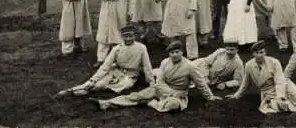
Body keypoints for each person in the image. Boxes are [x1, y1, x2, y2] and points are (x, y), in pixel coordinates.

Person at [90, 41, 221, 112]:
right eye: (172, 52)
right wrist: (164, 91)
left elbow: (201, 83)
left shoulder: (190, 66)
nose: (174, 55)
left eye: (177, 52)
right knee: (135, 96)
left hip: (178, 94)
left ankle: (151, 103)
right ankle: (106, 103)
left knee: (172, 106)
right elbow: (160, 80)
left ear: (182, 52)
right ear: (169, 54)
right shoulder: (165, 62)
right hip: (161, 89)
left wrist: (210, 97)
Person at [56, 26, 154, 97]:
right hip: (116, 71)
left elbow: (147, 65)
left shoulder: (141, 48)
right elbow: (106, 66)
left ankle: (86, 91)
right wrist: (93, 79)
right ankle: (72, 90)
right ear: (122, 37)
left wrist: (151, 82)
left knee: (123, 86)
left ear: (135, 36)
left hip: (131, 75)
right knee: (98, 84)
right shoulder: (117, 48)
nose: (128, 39)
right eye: (125, 36)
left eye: (130, 36)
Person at [93, 0, 135, 68]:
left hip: (122, 7)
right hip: (108, 6)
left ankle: (119, 58)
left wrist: (130, 11)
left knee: (120, 32)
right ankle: (101, 58)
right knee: (104, 31)